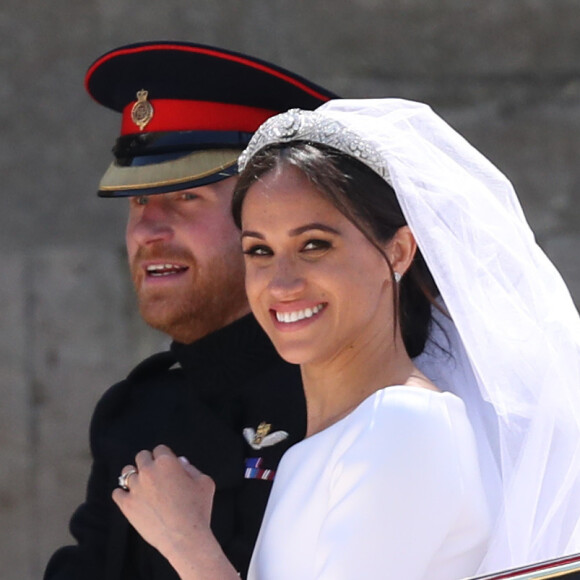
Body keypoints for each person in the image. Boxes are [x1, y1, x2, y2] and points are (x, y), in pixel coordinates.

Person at [111, 98, 580, 580]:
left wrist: (187, 543)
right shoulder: (331, 442)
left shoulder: (402, 424)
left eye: (315, 245)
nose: (282, 282)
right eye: (259, 250)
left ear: (397, 251)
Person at [43, 41, 337, 580]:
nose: (148, 231)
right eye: (137, 201)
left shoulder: (347, 394)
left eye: (185, 197)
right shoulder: (137, 410)